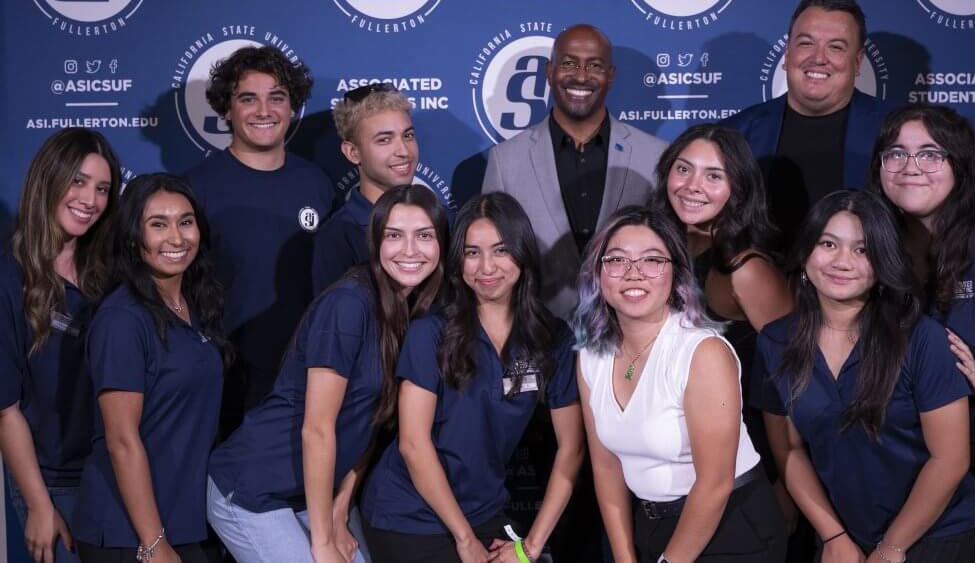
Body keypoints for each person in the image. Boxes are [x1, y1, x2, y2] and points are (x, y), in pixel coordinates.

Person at [206, 184, 448, 563]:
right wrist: (323, 541)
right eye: (394, 235)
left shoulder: (413, 314)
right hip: (253, 487)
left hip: (311, 492)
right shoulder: (348, 304)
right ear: (375, 243)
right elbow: (317, 428)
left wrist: (339, 511)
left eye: (424, 236)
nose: (410, 250)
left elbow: (370, 428)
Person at [753, 190, 975, 562]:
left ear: (883, 266)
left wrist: (892, 547)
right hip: (843, 530)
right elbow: (791, 451)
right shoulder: (775, 341)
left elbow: (950, 459)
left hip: (934, 530)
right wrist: (833, 535)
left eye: (862, 250)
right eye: (828, 244)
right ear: (805, 255)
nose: (842, 262)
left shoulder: (922, 339)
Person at [360, 192, 583, 563]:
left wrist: (530, 547)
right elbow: (413, 444)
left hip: (485, 510)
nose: (486, 267)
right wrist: (464, 539)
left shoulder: (552, 338)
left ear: (523, 254)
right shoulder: (431, 332)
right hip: (410, 515)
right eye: (472, 252)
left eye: (500, 250)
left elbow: (572, 449)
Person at [575, 206, 786, 563]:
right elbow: (606, 467)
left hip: (731, 526)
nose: (634, 274)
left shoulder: (703, 352)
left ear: (676, 273)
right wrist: (624, 556)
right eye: (617, 260)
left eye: (653, 260)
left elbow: (715, 484)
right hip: (651, 524)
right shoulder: (591, 356)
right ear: (598, 272)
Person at [868, 105, 975, 562]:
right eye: (895, 153)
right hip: (911, 458)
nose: (910, 167)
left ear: (959, 163)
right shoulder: (877, 238)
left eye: (930, 154)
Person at [72, 174, 230, 563]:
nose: (176, 238)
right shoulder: (122, 319)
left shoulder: (194, 305)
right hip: (133, 534)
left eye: (186, 221)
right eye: (158, 224)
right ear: (132, 237)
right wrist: (153, 543)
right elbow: (121, 439)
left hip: (186, 522)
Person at [650, 123, 796, 529]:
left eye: (714, 175)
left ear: (739, 187)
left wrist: (788, 485)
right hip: (668, 467)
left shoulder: (745, 270)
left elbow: (793, 385)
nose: (693, 186)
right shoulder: (653, 252)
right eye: (684, 169)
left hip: (744, 472)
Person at [184, 45, 335, 433]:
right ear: (227, 108)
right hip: (225, 383)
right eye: (248, 99)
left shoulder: (317, 183)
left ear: (292, 107)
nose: (264, 111)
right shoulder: (195, 188)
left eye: (277, 98)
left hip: (306, 379)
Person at [482, 23, 666, 321]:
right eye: (569, 63)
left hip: (631, 334)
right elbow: (493, 259)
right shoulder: (506, 161)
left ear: (611, 76)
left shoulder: (655, 156)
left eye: (594, 65)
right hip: (538, 336)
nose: (581, 76)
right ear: (549, 71)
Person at [1, 129, 120, 563]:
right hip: (52, 482)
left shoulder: (110, 275)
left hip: (115, 475)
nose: (90, 199)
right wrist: (37, 504)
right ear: (48, 180)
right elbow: (6, 408)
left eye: (103, 188)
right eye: (78, 181)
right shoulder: (10, 280)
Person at [722, 0, 888, 251]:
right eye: (806, 43)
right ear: (788, 54)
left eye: (836, 47)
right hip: (761, 287)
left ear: (857, 62)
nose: (819, 58)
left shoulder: (894, 132)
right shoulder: (735, 133)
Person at [312, 83, 419, 295]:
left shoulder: (442, 219)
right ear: (352, 152)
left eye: (407, 136)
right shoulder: (338, 236)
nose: (403, 151)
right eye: (384, 140)